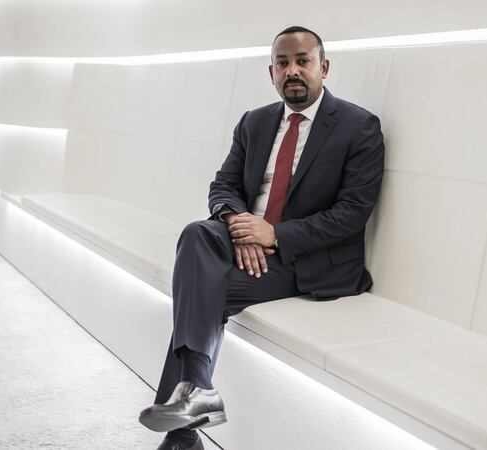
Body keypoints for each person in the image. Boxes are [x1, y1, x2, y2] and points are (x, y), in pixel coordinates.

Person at [138, 25, 385, 450]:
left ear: (323, 67)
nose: (293, 70)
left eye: (303, 61)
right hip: (245, 243)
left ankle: (185, 430)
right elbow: (223, 185)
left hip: (307, 259)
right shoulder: (254, 123)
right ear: (271, 71)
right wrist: (243, 227)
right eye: (283, 63)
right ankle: (193, 405)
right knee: (197, 233)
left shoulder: (358, 126)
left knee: (200, 288)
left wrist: (274, 234)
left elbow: (352, 213)